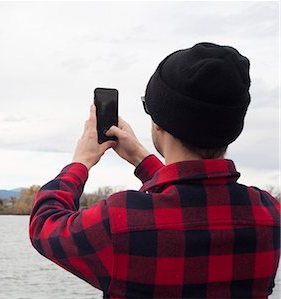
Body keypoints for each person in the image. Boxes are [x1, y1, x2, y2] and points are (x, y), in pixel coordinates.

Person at [28, 42, 280, 298]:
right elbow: (192, 203)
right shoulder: (270, 216)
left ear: (158, 122)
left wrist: (80, 162)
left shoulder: (120, 223)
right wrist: (141, 158)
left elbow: (44, 224)